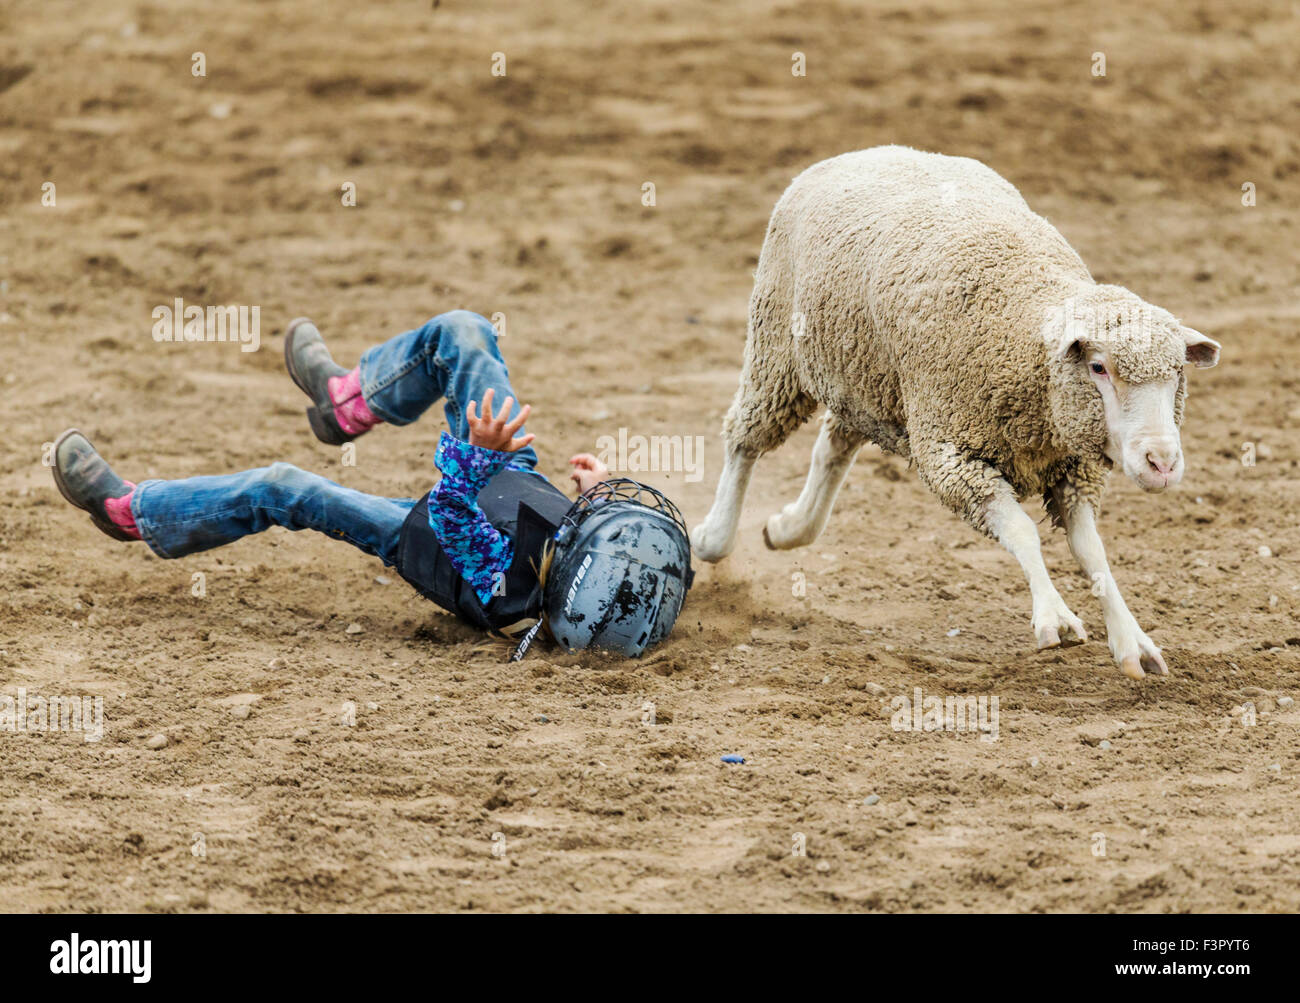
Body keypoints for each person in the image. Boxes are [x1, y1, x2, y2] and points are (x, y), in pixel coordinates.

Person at [52, 311, 693, 658]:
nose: (595, 514)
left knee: (285, 489)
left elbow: (450, 512)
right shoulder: (613, 588)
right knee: (464, 333)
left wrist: (477, 452)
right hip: (509, 475)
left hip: (427, 528)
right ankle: (347, 402)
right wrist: (596, 496)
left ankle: (136, 513)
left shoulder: (504, 587)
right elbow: (636, 567)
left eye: (592, 526)